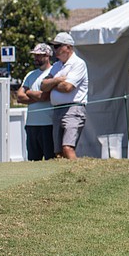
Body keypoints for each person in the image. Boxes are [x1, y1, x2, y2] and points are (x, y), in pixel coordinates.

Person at [40, 32, 89, 160]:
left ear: (68, 47)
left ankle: (78, 175)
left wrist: (51, 83)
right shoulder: (56, 65)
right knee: (58, 152)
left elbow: (68, 87)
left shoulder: (78, 63)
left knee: (67, 147)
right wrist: (57, 80)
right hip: (57, 110)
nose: (54, 49)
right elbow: (43, 86)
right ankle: (65, 178)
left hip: (74, 109)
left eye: (57, 46)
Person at [16, 43, 55, 161]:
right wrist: (37, 96)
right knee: (33, 160)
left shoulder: (54, 72)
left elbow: (45, 96)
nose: (36, 58)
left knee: (50, 159)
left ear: (47, 56)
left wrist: (29, 92)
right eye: (35, 55)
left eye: (39, 55)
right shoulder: (30, 75)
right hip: (31, 125)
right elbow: (19, 96)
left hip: (48, 124)